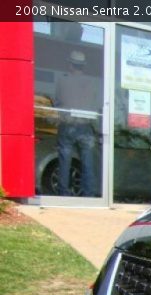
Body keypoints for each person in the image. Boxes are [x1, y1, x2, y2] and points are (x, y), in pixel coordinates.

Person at [54, 50, 101, 196]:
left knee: (65, 161)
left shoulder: (62, 80)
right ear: (83, 66)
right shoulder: (92, 83)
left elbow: (58, 102)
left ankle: (63, 192)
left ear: (70, 65)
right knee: (88, 163)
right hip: (85, 125)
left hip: (67, 124)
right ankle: (89, 193)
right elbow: (96, 104)